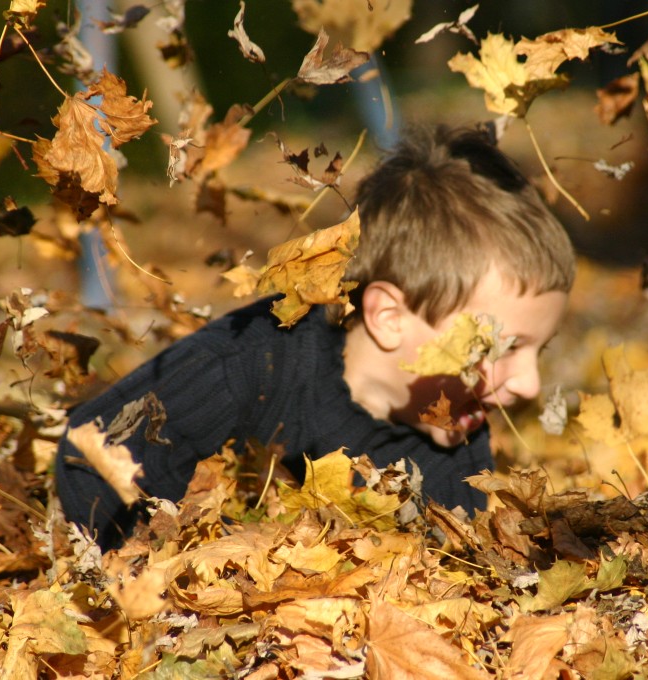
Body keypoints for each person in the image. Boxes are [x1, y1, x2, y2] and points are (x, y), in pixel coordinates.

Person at [54, 125, 577, 550]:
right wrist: (178, 566)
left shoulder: (455, 440)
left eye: (539, 350)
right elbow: (89, 452)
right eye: (499, 348)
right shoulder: (251, 366)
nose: (528, 384)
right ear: (389, 317)